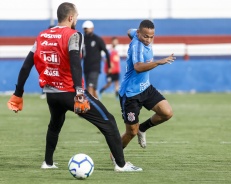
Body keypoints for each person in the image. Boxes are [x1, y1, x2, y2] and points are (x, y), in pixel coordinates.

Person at [7, 2, 142, 172]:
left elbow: (26, 65)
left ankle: (47, 163)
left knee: (55, 124)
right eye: (76, 17)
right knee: (108, 122)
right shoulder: (73, 35)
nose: (76, 19)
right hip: (70, 92)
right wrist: (79, 92)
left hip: (52, 94)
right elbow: (75, 63)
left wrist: (18, 93)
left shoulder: (42, 36)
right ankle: (121, 165)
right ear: (71, 17)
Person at [117, 19, 176, 152]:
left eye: (151, 37)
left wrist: (135, 33)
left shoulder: (136, 34)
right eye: (145, 36)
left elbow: (129, 31)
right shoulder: (137, 46)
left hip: (145, 88)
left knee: (167, 112)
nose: (148, 40)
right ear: (139, 33)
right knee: (131, 132)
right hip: (131, 93)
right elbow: (138, 67)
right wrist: (158, 62)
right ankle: (116, 156)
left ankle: (142, 128)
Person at [82, 20, 111, 98]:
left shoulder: (97, 39)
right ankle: (98, 108)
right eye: (85, 28)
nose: (86, 30)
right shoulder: (82, 40)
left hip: (94, 68)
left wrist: (109, 66)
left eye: (87, 28)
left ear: (92, 28)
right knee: (93, 90)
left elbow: (106, 52)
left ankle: (91, 108)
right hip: (86, 68)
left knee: (90, 88)